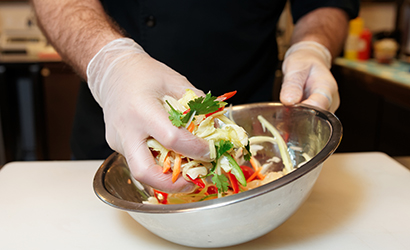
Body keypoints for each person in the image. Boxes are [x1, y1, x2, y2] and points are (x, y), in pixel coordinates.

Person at [31, 0, 359, 192]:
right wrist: (110, 63)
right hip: (112, 126)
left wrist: (313, 46)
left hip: (249, 142)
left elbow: (325, 3)